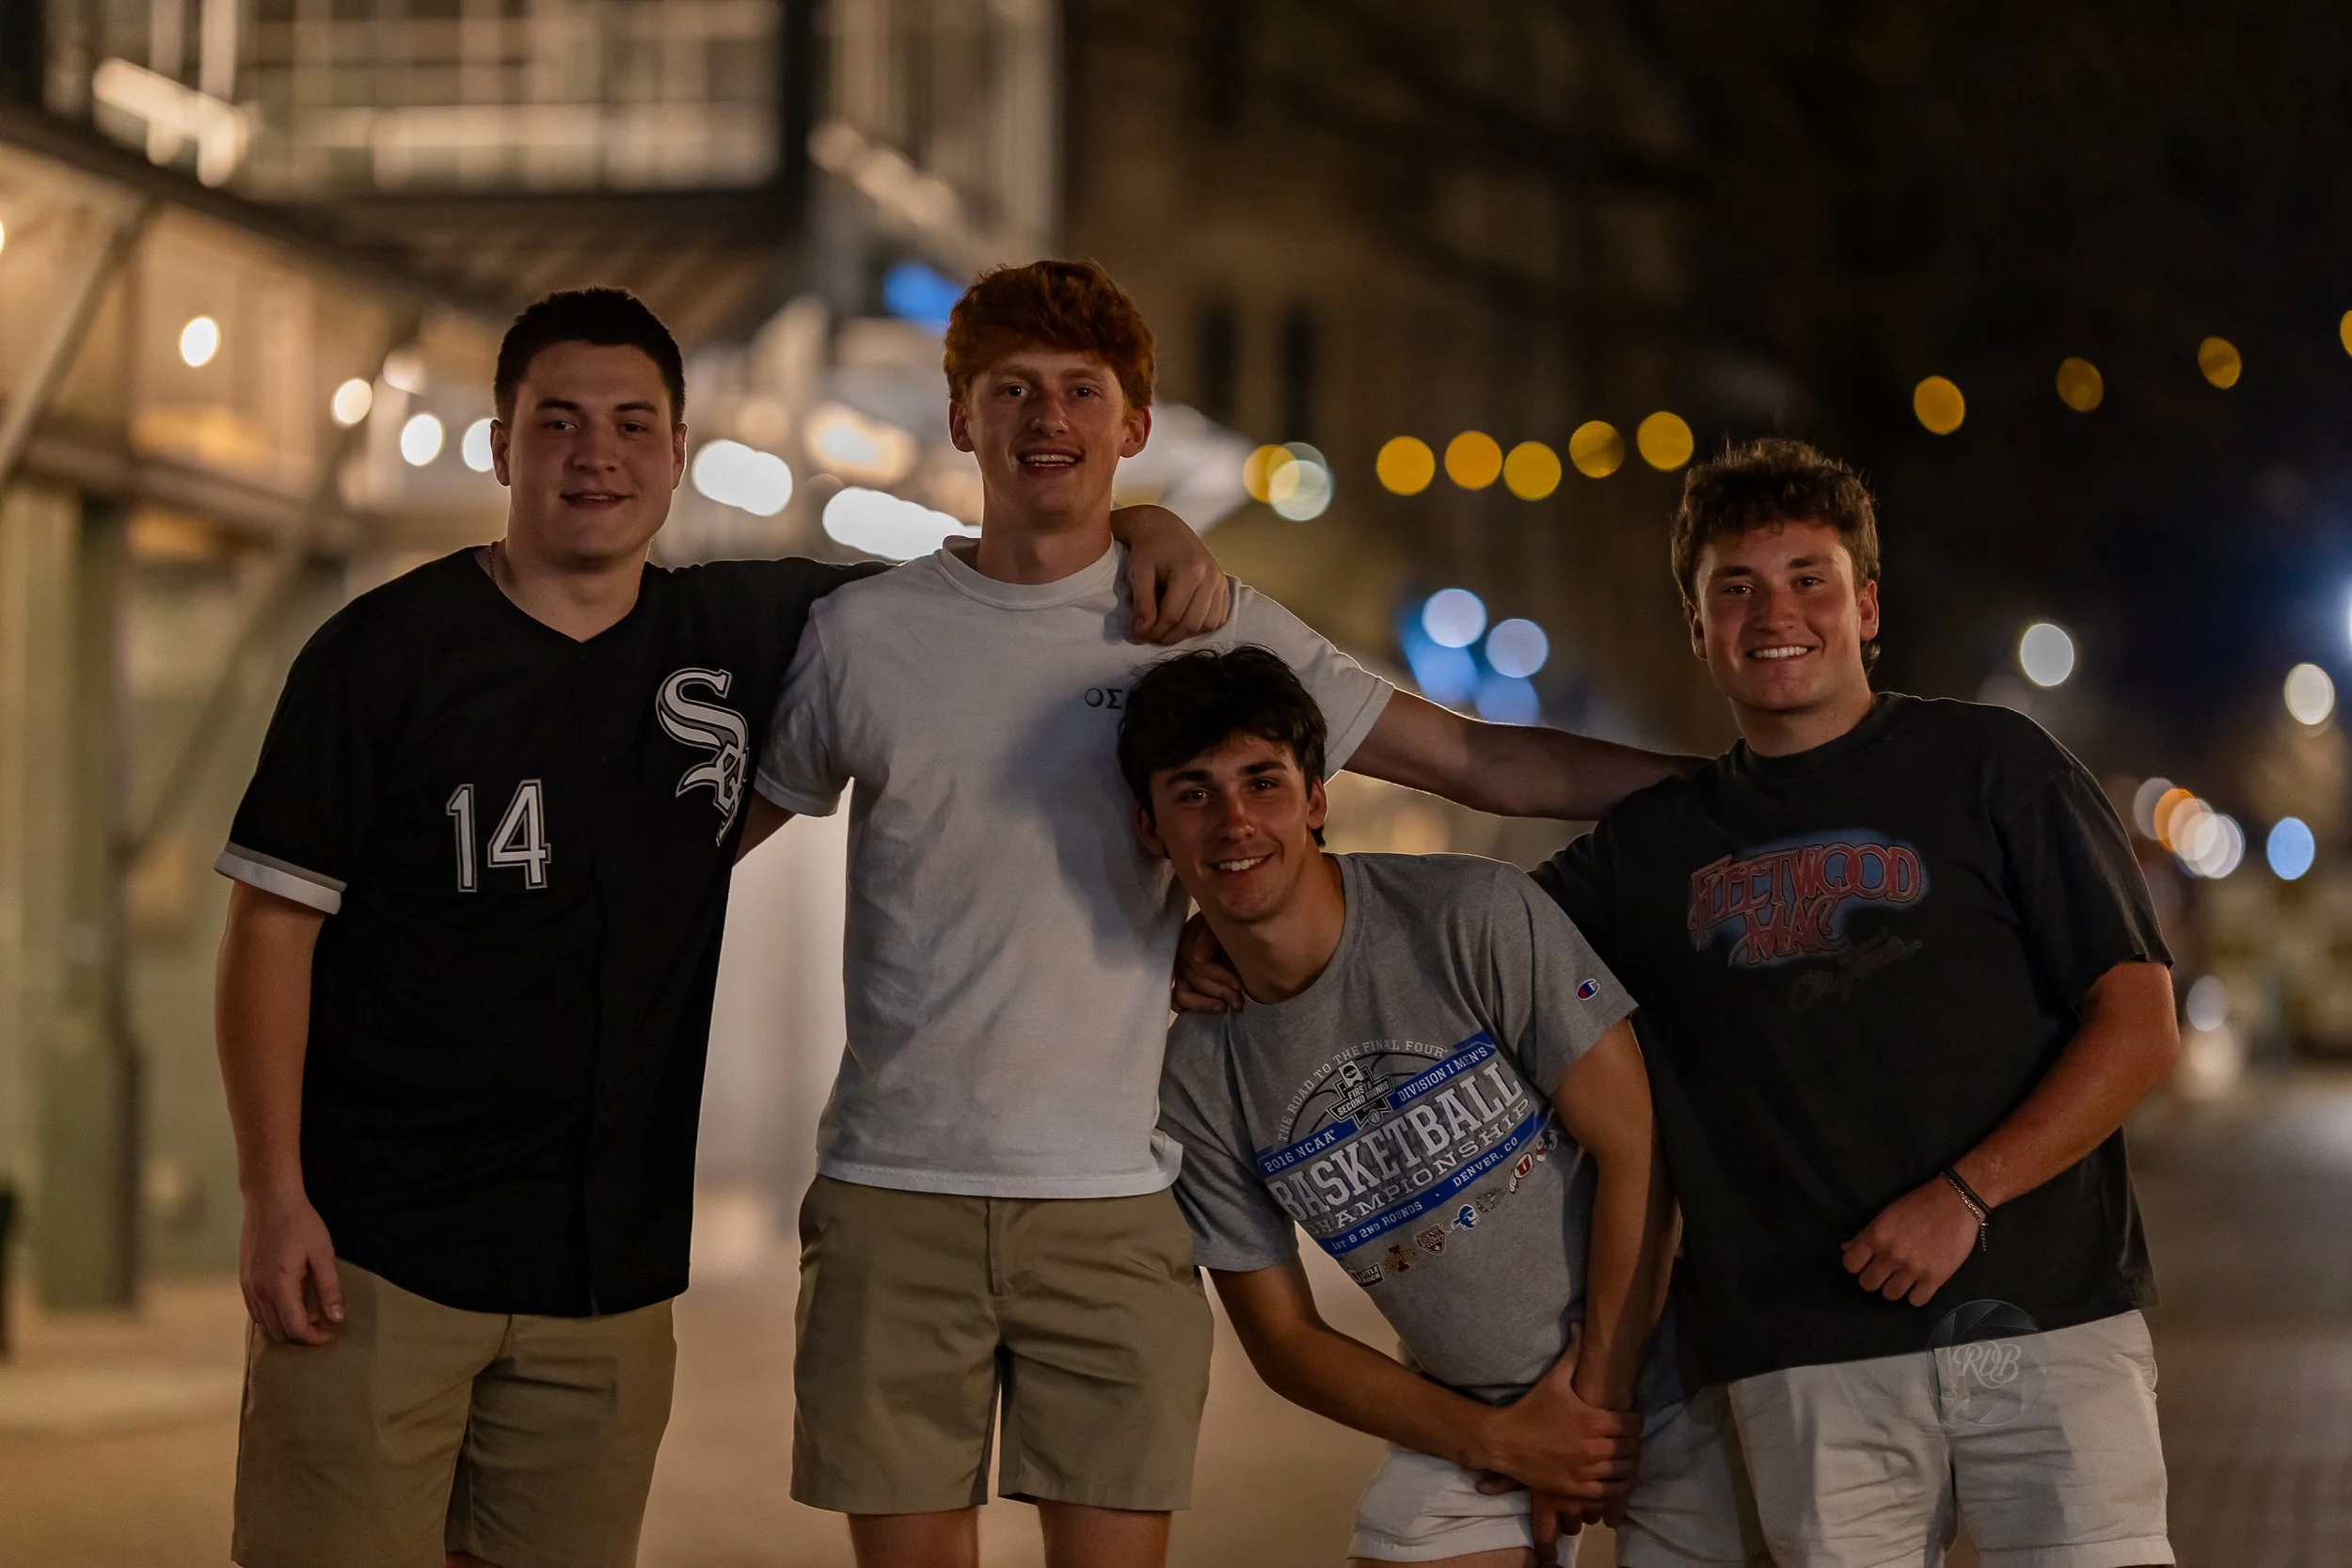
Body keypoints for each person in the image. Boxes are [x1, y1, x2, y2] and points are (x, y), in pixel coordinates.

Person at [212, 286, 1230, 1568]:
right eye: (560, 422)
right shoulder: (381, 653)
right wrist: (273, 1195)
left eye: (635, 423)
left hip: (605, 1276)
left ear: (680, 450)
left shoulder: (748, 627)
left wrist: (1145, 516)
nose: (598, 454)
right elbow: (269, 930)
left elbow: (1009, 575)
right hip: (378, 1251)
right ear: (499, 445)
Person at [746, 259, 1696, 1568]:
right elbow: (706, 845)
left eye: (1083, 391)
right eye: (1010, 390)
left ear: (1133, 426)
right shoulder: (862, 636)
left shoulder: (1201, 627)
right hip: (893, 1189)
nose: (1046, 418)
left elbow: (1483, 762)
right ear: (961, 418)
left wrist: (1748, 792)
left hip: (1117, 1194)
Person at [1523, 438, 2180, 1568]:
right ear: (1698, 627)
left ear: (1865, 605)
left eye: (1807, 577)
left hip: (2050, 1314)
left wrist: (1968, 1192)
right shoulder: (1653, 848)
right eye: (1735, 586)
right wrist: (1244, 939)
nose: (1774, 610)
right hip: (1801, 1346)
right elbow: (1469, 938)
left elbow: (2136, 1019)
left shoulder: (1994, 765)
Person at [1126, 645, 1766, 1568]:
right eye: (1192, 793)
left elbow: (1636, 1145)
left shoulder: (1467, 913)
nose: (1232, 821)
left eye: (1261, 781)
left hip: (1665, 1358)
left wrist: (1591, 1408)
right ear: (1151, 827)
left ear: (1315, 798)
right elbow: (1284, 1337)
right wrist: (1498, 1441)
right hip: (1477, 1418)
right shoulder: (1195, 1072)